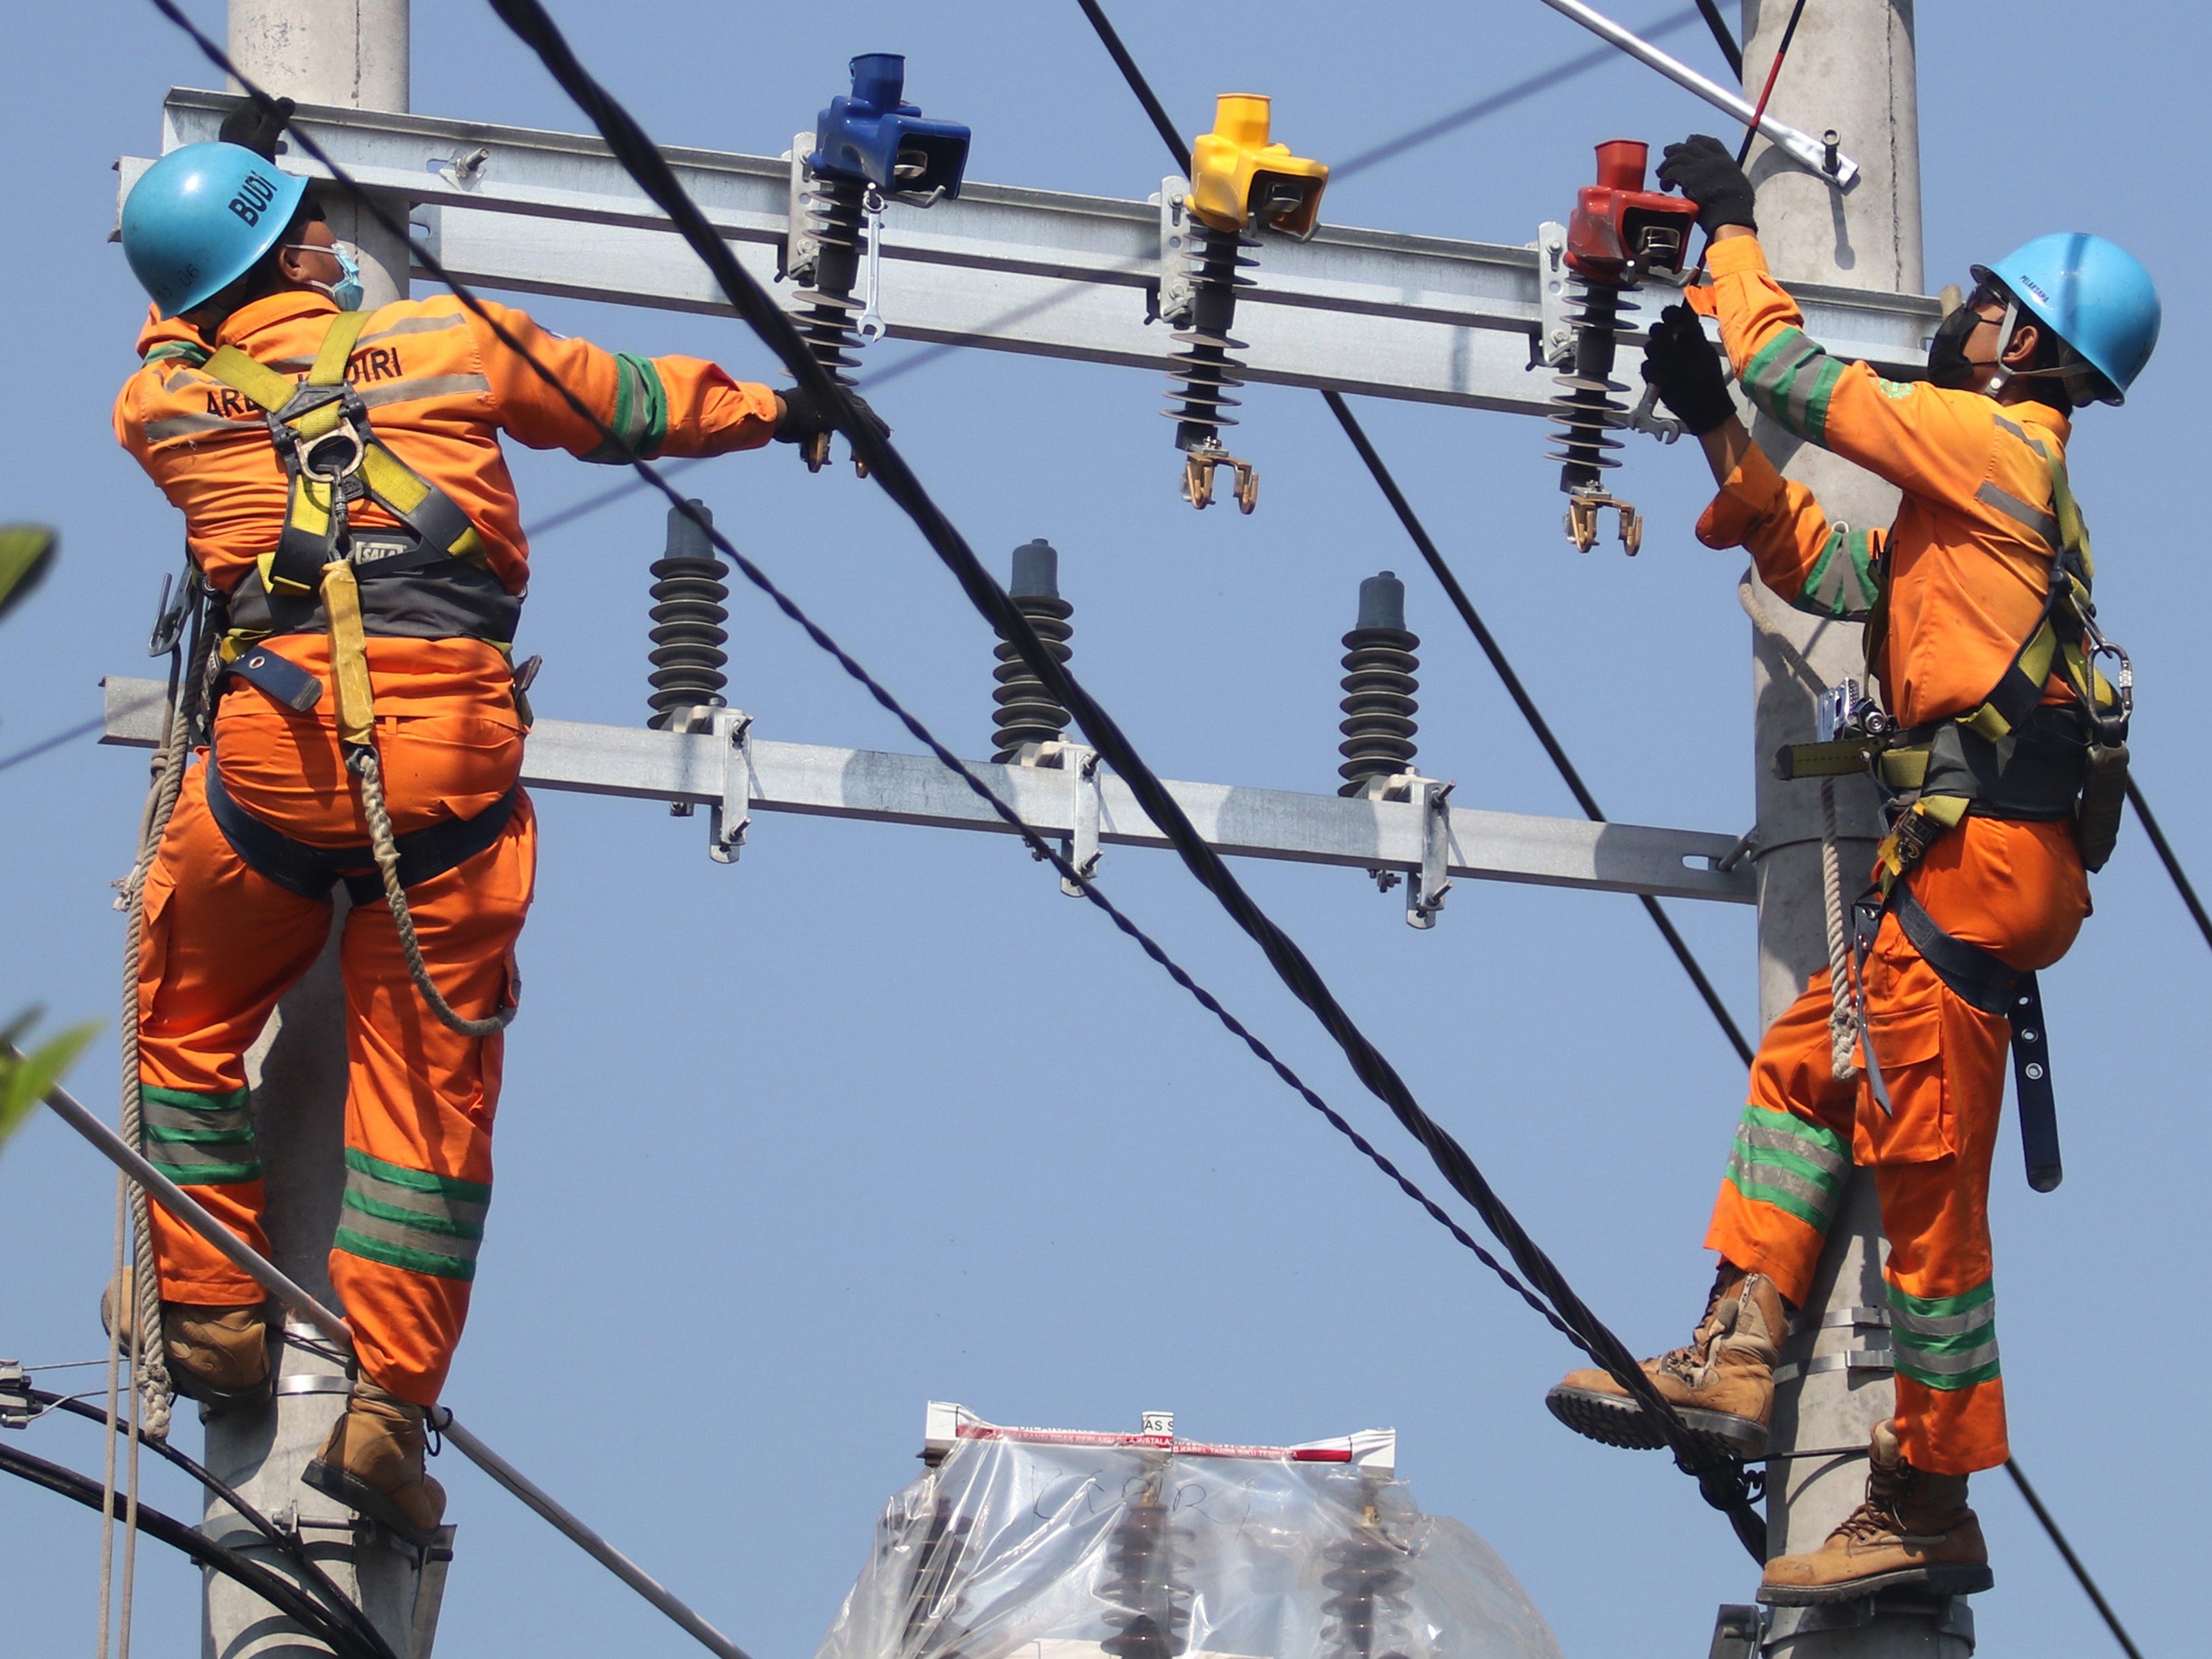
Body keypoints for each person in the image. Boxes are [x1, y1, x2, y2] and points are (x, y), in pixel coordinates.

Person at [112, 105, 869, 1544]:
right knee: (427, 1094)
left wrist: (202, 258)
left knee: (185, 1014)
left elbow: (165, 346)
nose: (332, 237)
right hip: (445, 766)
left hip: (273, 756)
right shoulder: (446, 341)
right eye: (307, 225)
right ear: (294, 254)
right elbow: (623, 401)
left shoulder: (164, 406)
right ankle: (384, 1410)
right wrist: (783, 410)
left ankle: (211, 1315)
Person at [1543, 135, 2158, 1602]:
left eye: (1986, 305)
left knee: (1929, 1189)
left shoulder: (1994, 443)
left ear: (2024, 347)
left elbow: (1798, 372)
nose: (1958, 312)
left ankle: (1929, 1494)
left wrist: (1731, 235)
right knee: (1806, 1067)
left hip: (1976, 864)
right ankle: (1738, 1345)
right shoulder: (1974, 507)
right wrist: (1717, 434)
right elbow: (1826, 570)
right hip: (1957, 868)